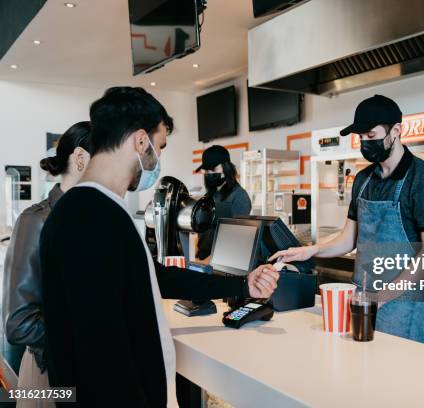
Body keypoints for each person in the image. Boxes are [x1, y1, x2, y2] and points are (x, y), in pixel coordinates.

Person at [39, 87, 279, 407]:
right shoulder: (91, 217)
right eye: (159, 145)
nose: (157, 159)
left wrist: (242, 283)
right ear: (141, 141)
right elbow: (101, 351)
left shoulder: (95, 210)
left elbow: (158, 277)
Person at [271, 95, 424, 343]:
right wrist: (309, 251)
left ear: (396, 130)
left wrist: (381, 298)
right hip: (362, 298)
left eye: (371, 136)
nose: (365, 143)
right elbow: (348, 239)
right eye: (361, 137)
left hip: (402, 306)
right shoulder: (363, 180)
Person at [3, 122, 92, 408]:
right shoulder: (36, 220)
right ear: (80, 159)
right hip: (46, 377)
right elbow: (19, 324)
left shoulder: (92, 219)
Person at [195, 145, 251, 260]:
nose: (209, 173)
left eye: (214, 169)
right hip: (203, 259)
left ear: (226, 168)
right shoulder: (210, 195)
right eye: (206, 170)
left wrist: (209, 261)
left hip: (222, 261)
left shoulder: (239, 196)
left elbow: (236, 238)